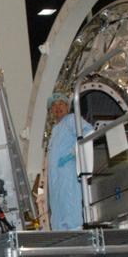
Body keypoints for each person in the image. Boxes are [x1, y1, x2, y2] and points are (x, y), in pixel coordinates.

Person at [45, 92, 93, 231]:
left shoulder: (71, 120)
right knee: (58, 211)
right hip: (56, 181)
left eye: (61, 104)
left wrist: (74, 151)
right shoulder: (55, 130)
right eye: (54, 106)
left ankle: (75, 233)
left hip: (68, 174)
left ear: (67, 106)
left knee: (70, 206)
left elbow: (88, 131)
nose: (57, 107)